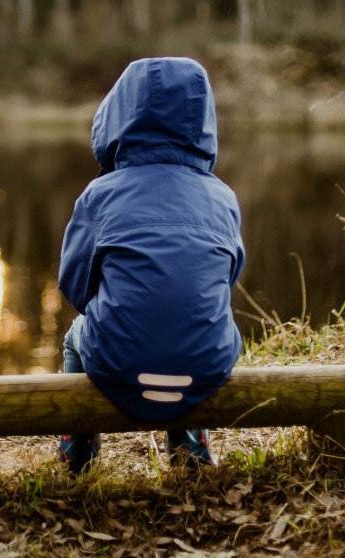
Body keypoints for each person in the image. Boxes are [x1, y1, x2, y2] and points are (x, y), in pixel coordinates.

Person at [57, 57, 245, 473]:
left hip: (117, 364)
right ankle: (190, 448)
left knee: (76, 336)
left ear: (119, 115)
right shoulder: (223, 198)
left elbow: (74, 287)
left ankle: (78, 452)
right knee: (201, 325)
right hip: (206, 365)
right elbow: (226, 278)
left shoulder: (100, 195)